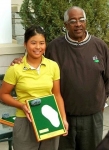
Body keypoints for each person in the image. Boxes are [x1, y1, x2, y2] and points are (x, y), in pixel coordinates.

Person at [10, 6, 109, 150]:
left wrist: (102, 102)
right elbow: (38, 61)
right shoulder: (54, 47)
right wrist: (21, 59)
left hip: (93, 118)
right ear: (65, 25)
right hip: (62, 116)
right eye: (73, 21)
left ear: (86, 22)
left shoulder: (99, 46)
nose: (78, 24)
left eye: (82, 20)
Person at [0, 25, 68, 150]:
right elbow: (3, 94)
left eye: (41, 43)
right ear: (25, 44)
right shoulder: (15, 68)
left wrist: (63, 119)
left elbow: (57, 94)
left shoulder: (53, 66)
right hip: (25, 121)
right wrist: (20, 105)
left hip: (49, 119)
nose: (38, 47)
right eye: (33, 43)